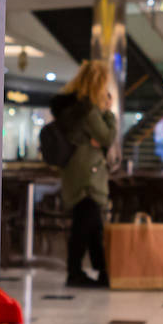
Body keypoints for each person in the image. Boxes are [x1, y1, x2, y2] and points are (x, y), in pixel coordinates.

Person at [49, 60, 118, 286]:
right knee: (84, 226)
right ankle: (75, 272)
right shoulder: (88, 110)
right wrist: (108, 113)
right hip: (88, 176)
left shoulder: (73, 106)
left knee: (92, 225)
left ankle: (102, 270)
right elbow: (107, 137)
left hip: (76, 172)